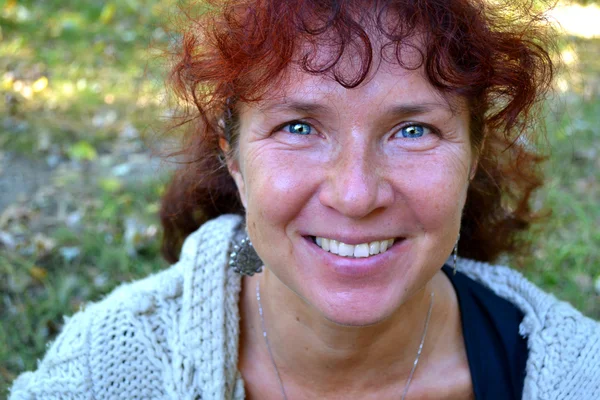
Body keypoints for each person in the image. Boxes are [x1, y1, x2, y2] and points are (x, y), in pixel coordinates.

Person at [9, 0, 600, 399]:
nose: (355, 194)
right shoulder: (107, 369)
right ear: (234, 157)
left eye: (413, 130)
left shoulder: (576, 373)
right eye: (299, 127)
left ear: (472, 156)